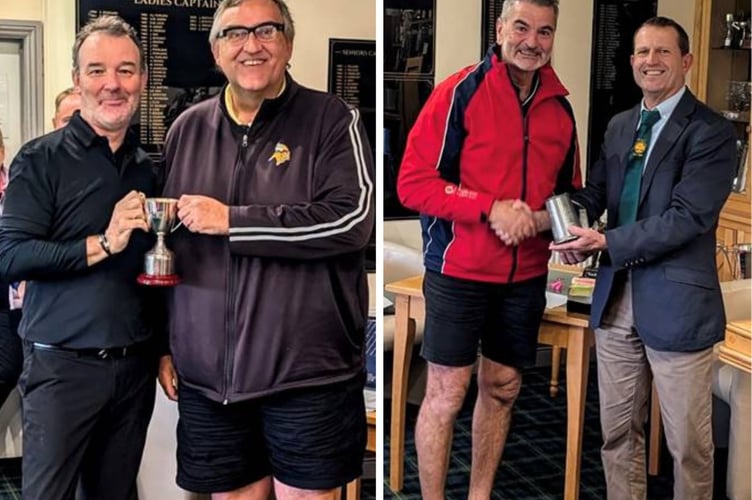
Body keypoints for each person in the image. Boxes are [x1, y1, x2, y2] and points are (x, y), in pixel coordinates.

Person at [157, 0, 375, 499]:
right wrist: (165, 343)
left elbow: (351, 222)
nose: (251, 45)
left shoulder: (332, 119)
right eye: (235, 34)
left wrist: (233, 221)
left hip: (306, 377)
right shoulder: (185, 129)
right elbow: (168, 245)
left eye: (266, 31)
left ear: (289, 44)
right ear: (216, 51)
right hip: (210, 383)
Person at [397, 0, 581, 497]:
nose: (532, 41)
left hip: (524, 278)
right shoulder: (459, 92)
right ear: (500, 29)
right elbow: (412, 184)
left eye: (545, 32)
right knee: (446, 392)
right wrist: (490, 208)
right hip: (459, 269)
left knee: (502, 388)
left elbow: (570, 193)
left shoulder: (560, 109)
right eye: (521, 27)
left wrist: (551, 223)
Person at [550, 16, 737, 500]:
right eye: (642, 53)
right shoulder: (619, 125)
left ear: (687, 61)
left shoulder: (712, 133)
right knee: (616, 434)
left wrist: (607, 243)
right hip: (615, 299)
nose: (650, 61)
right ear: (631, 61)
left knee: (688, 446)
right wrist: (565, 222)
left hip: (676, 304)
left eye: (663, 52)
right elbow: (596, 193)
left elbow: (686, 218)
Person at [0, 15, 163, 500]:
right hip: (61, 370)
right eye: (97, 70)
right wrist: (104, 242)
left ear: (143, 80)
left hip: (134, 371)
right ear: (77, 80)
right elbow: (11, 256)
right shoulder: (39, 160)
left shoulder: (148, 168)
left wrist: (166, 349)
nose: (112, 84)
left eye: (126, 70)